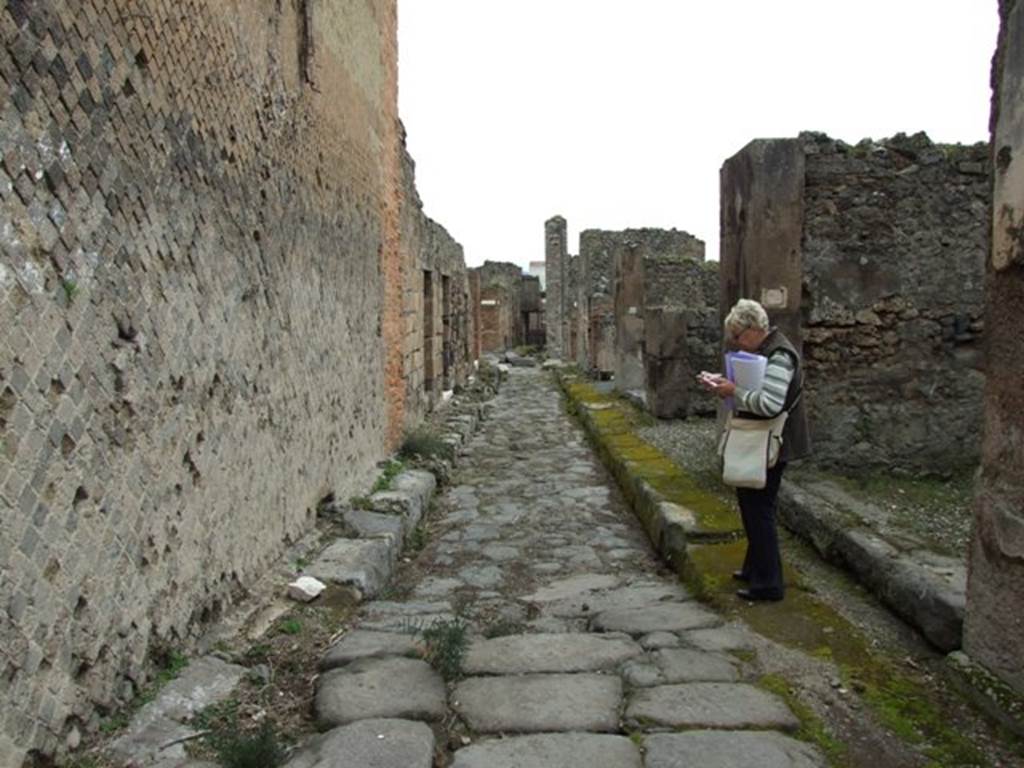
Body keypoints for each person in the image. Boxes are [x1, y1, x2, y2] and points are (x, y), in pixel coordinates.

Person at [699, 299, 810, 602]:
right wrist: (726, 385)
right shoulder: (765, 350)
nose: (736, 343)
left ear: (752, 329)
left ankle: (769, 583)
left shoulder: (780, 355)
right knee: (751, 504)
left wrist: (733, 392)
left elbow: (770, 404)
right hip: (762, 440)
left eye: (738, 336)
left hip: (773, 442)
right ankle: (755, 567)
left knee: (760, 509)